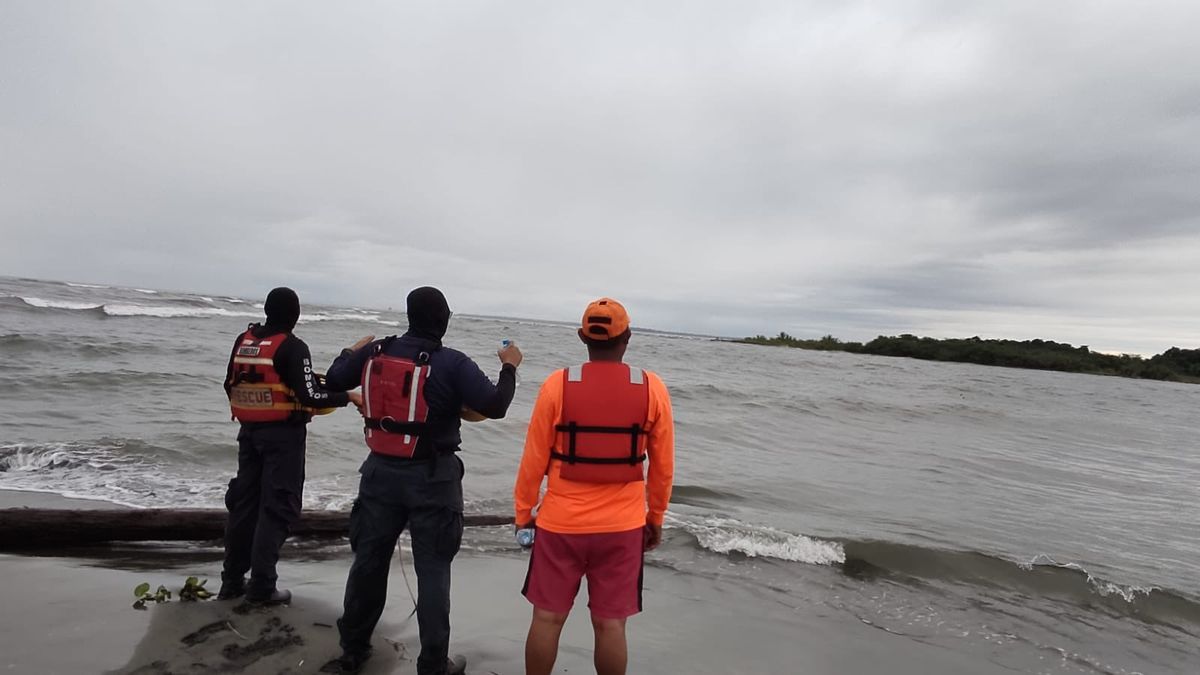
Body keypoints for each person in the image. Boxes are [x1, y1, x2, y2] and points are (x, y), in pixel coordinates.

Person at [320, 286, 523, 675]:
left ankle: (352, 651)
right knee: (433, 570)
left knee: (368, 563)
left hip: (379, 473)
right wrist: (510, 366)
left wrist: (351, 351)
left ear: (409, 316)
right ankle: (432, 664)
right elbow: (495, 405)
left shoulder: (374, 352)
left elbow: (332, 382)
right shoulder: (453, 363)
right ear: (443, 321)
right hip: (434, 478)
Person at [513, 298, 675, 675]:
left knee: (547, 619)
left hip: (560, 525)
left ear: (583, 337)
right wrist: (656, 518)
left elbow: (533, 460)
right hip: (622, 528)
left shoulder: (557, 385)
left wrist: (524, 515)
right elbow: (663, 467)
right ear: (628, 338)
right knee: (611, 625)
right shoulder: (653, 389)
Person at [220, 286, 362, 604]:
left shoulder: (244, 341)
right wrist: (348, 396)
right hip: (283, 438)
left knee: (244, 507)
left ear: (267, 310)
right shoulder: (293, 348)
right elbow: (310, 395)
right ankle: (262, 586)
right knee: (277, 507)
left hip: (249, 434)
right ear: (296, 316)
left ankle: (231, 582)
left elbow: (229, 383)